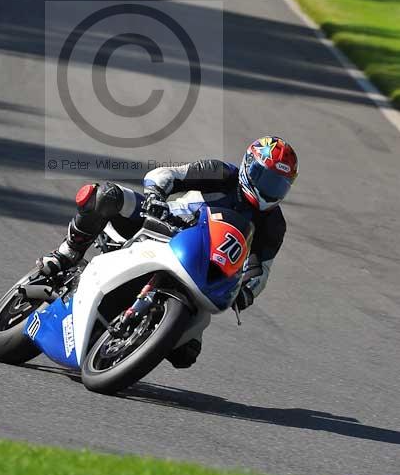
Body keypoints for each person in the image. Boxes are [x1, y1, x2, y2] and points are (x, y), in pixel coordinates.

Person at [38, 135, 298, 368]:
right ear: (248, 166)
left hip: (200, 266)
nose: (269, 189)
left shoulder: (273, 224)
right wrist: (156, 196)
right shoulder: (221, 173)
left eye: (278, 185)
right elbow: (168, 174)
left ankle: (137, 337)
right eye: (265, 178)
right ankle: (66, 254)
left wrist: (247, 291)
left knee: (186, 354)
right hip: (161, 225)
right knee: (105, 195)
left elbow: (261, 269)